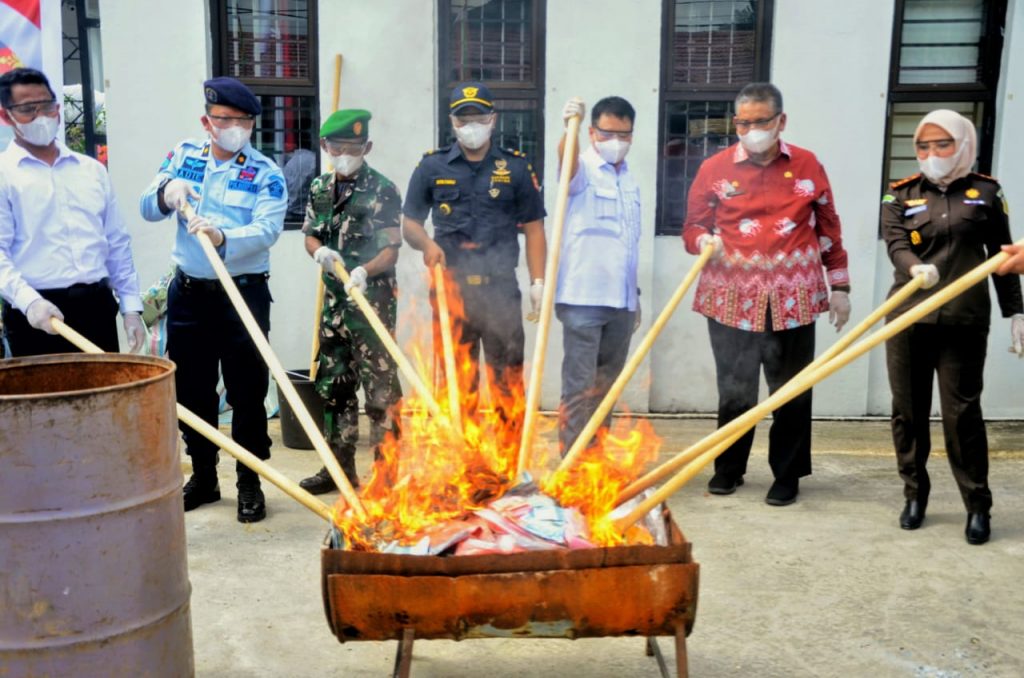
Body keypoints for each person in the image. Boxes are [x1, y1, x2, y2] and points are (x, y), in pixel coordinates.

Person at [682, 82, 851, 507]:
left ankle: (788, 475)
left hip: (794, 296)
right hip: (731, 296)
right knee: (735, 388)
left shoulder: (808, 164)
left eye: (761, 121)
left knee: (791, 389)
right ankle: (729, 468)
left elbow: (829, 228)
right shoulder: (715, 168)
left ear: (781, 121)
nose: (752, 129)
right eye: (744, 122)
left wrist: (841, 287)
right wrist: (702, 240)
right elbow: (693, 225)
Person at [139, 77, 287, 523]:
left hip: (242, 294)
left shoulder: (265, 171)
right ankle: (204, 476)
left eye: (243, 121)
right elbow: (147, 205)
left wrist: (223, 235)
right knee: (192, 391)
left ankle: (250, 481)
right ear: (207, 121)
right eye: (225, 120)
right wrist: (167, 194)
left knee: (247, 392)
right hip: (189, 295)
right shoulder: (183, 156)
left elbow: (267, 229)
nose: (234, 127)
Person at [881, 109, 1024, 544]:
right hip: (909, 318)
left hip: (964, 319)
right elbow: (895, 242)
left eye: (942, 144)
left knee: (963, 415)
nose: (932, 154)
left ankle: (977, 505)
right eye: (923, 146)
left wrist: (1015, 312)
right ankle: (914, 496)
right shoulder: (899, 195)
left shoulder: (986, 192)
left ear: (963, 144)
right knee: (909, 413)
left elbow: (1005, 256)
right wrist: (914, 268)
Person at [402, 82, 546, 438]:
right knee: (455, 382)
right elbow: (409, 224)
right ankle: (462, 462)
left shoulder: (514, 168)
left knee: (507, 382)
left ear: (492, 119)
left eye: (479, 117)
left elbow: (534, 228)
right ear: (452, 122)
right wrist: (426, 245)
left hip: (500, 292)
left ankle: (510, 466)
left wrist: (538, 282)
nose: (471, 125)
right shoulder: (431, 166)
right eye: (464, 118)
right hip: (453, 292)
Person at [0, 67, 144, 355]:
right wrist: (29, 301)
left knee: (103, 397)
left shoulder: (90, 170)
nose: (41, 116)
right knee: (45, 400)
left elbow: (116, 242)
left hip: (96, 307)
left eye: (48, 107)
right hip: (36, 313)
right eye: (28, 109)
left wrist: (130, 307)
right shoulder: (4, 175)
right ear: (6, 115)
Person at [298, 109, 402, 495]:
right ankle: (337, 470)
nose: (343, 153)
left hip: (372, 306)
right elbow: (309, 234)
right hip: (334, 309)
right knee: (334, 388)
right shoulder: (320, 187)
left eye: (352, 147)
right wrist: (319, 252)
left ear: (367, 147)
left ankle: (388, 477)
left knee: (381, 394)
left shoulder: (383, 189)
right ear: (324, 147)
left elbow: (392, 249)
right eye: (336, 146)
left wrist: (363, 272)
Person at [554, 95, 640, 454]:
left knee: (606, 390)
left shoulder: (629, 180)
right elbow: (566, 163)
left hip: (621, 303)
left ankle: (594, 461)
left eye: (623, 134)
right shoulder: (584, 169)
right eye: (607, 133)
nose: (615, 141)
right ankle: (571, 463)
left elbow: (628, 243)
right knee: (579, 388)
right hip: (583, 300)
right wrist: (567, 129)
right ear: (592, 132)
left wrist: (635, 299)